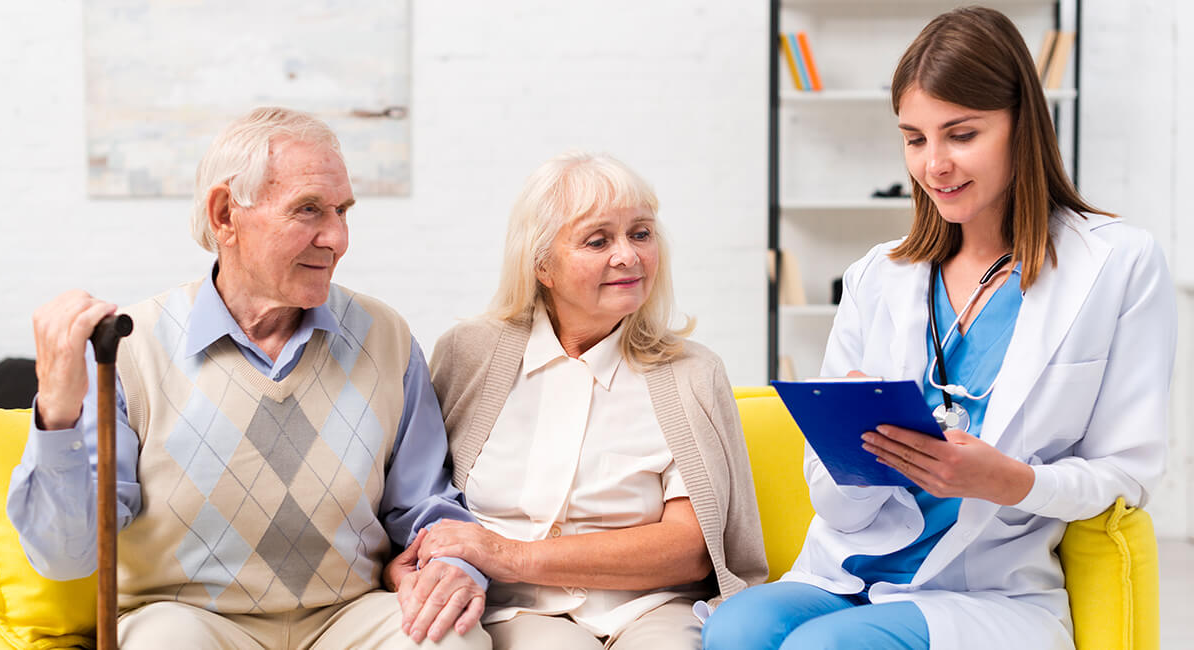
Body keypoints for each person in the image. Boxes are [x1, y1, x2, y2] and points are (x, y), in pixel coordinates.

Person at [702, 7, 1176, 650]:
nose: (934, 165)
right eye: (915, 138)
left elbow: (1128, 473)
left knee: (823, 648)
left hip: (985, 590)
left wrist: (1010, 481)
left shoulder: (1119, 264)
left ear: (1022, 126)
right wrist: (854, 455)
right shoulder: (878, 275)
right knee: (734, 630)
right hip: (849, 568)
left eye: (961, 134)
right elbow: (830, 496)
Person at [9, 107, 491, 650]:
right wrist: (57, 412)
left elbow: (425, 507)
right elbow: (66, 553)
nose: (336, 238)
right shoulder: (130, 348)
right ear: (224, 214)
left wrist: (451, 565)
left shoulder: (385, 336)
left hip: (347, 616)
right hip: (188, 617)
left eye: (342, 211)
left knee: (451, 638)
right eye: (308, 210)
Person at [403, 151, 768, 649]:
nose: (629, 256)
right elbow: (418, 490)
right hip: (517, 607)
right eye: (599, 240)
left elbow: (689, 549)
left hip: (652, 605)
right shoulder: (469, 354)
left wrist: (509, 553)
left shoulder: (693, 373)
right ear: (542, 265)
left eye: (641, 234)